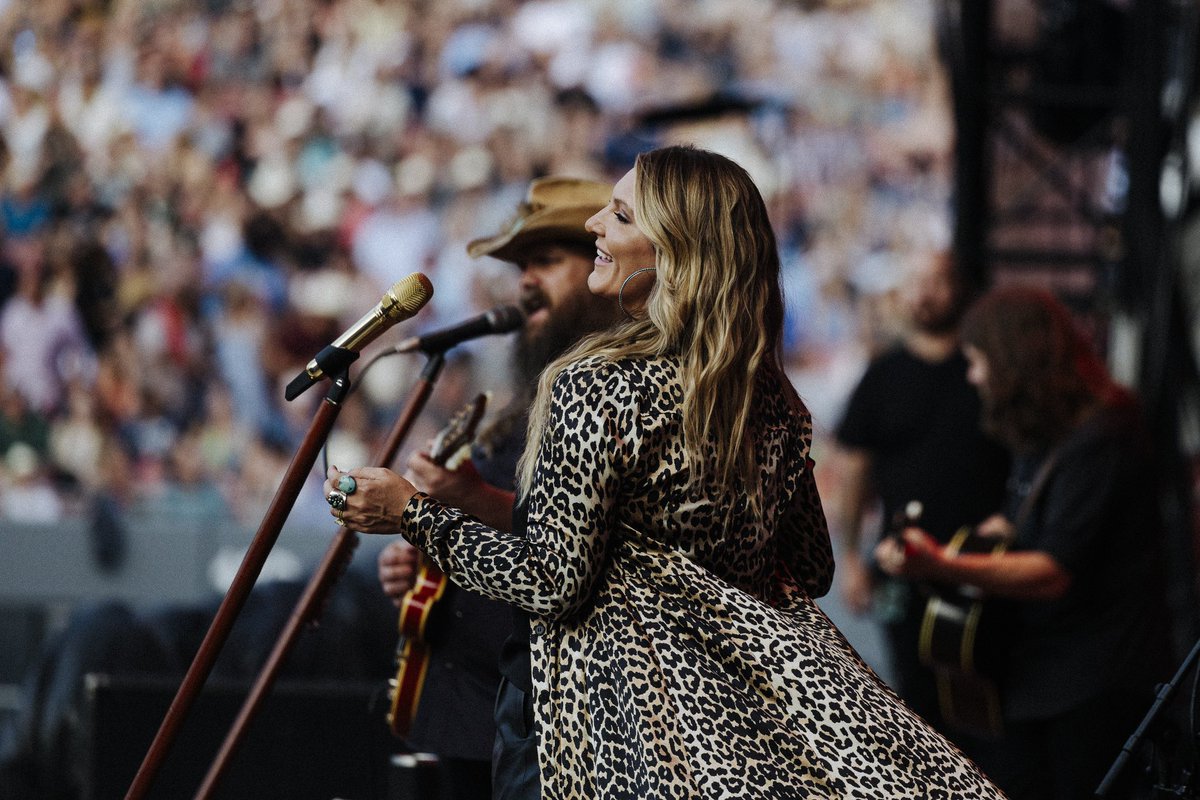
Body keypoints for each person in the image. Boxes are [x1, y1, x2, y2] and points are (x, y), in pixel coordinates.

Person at [327, 146, 1004, 799]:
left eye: (619, 216)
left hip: (598, 733)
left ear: (676, 252)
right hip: (729, 740)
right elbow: (810, 566)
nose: (596, 222)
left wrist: (413, 514)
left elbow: (550, 583)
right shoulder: (770, 397)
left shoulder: (593, 386)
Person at [373, 176, 618, 800]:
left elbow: (581, 544)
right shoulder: (520, 406)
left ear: (600, 268)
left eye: (546, 261)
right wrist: (422, 559)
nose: (526, 280)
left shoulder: (619, 392)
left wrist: (440, 511)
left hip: (562, 720)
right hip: (469, 708)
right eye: (521, 266)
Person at [876, 286, 1171, 800]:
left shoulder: (1105, 431)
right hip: (1037, 679)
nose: (972, 377)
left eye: (977, 361)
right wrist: (990, 535)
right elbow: (1026, 526)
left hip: (1093, 684)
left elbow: (1051, 571)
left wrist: (943, 564)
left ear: (1013, 359)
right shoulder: (1045, 432)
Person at [831, 250, 1009, 732]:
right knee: (914, 703)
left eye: (938, 281)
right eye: (915, 282)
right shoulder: (883, 374)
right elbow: (854, 472)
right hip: (901, 566)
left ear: (962, 290)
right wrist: (850, 557)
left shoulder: (987, 370)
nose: (925, 293)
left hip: (989, 568)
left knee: (987, 708)